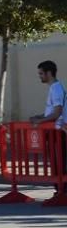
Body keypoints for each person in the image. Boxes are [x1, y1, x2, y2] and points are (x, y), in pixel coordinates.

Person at [28, 60, 67, 194]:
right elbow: (51, 111)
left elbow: (57, 112)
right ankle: (60, 189)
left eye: (41, 74)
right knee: (56, 160)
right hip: (54, 131)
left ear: (49, 73)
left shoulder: (56, 88)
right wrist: (40, 116)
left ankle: (62, 189)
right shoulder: (54, 88)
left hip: (58, 131)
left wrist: (40, 121)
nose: (40, 76)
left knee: (59, 161)